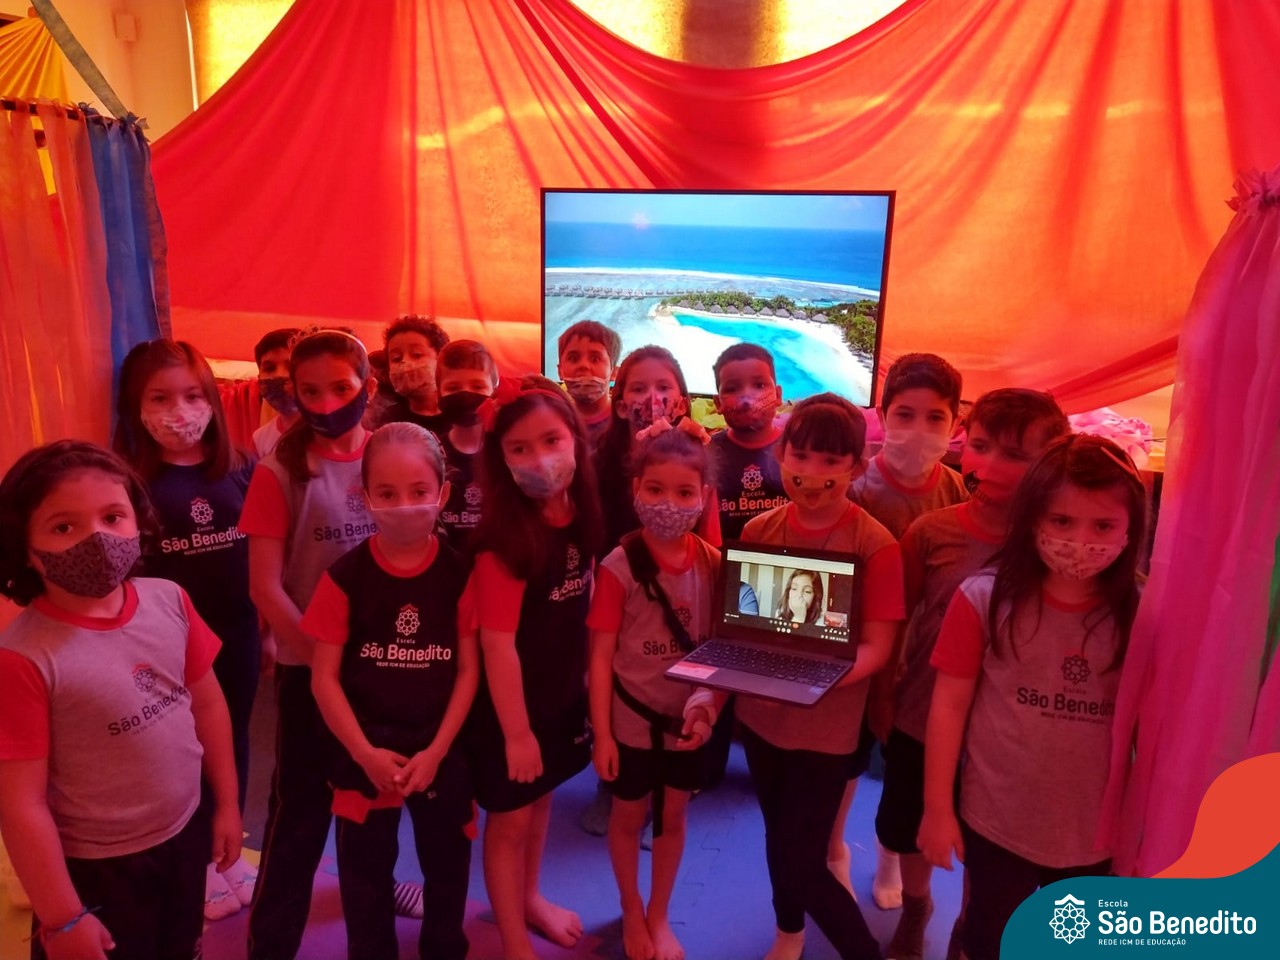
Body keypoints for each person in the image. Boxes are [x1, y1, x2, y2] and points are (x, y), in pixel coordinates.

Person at [0, 441, 241, 960]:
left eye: (113, 517)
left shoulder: (170, 600)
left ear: (138, 520)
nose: (97, 539)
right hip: (97, 868)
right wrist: (63, 917)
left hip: (184, 832)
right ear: (24, 547)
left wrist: (226, 804)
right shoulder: (23, 658)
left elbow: (208, 707)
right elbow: (21, 803)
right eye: (64, 526)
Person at [918, 435, 1146, 960]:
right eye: (1062, 520)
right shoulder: (983, 598)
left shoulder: (1143, 613)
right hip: (996, 823)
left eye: (1103, 526)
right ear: (1032, 518)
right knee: (991, 938)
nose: (1080, 540)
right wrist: (936, 809)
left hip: (1096, 834)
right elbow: (948, 706)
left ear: (1131, 528)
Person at [874, 387, 1069, 960]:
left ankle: (967, 923)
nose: (991, 465)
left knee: (986, 845)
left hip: (1003, 732)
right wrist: (883, 698)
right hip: (921, 714)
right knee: (911, 827)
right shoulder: (929, 533)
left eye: (1015, 455)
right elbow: (896, 622)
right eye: (981, 446)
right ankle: (917, 906)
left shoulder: (1052, 546)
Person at [739, 393, 905, 960]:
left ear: (856, 466)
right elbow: (746, 625)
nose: (813, 473)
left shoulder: (875, 545)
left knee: (801, 856)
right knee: (777, 836)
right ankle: (789, 932)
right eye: (802, 456)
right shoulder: (759, 529)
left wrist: (818, 680)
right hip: (760, 715)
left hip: (827, 726)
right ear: (780, 455)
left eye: (831, 461)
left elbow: (878, 646)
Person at [305, 423, 478, 960]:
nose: (404, 505)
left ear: (442, 495)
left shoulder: (460, 575)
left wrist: (438, 750)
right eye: (387, 493)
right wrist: (364, 753)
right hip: (365, 749)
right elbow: (323, 678)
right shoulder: (343, 578)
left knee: (448, 864)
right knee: (363, 873)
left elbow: (469, 672)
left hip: (439, 749)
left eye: (418, 491)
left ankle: (444, 949)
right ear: (365, 499)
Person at [238, 328, 379, 960]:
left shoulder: (392, 456)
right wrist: (322, 661)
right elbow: (266, 586)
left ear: (368, 387)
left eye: (341, 388)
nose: (326, 404)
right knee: (297, 819)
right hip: (308, 675)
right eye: (310, 391)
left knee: (371, 820)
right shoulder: (280, 471)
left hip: (382, 674)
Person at [113, 338, 261, 919]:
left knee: (234, 740)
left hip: (238, 635)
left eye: (194, 395)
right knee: (181, 750)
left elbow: (259, 555)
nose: (180, 410)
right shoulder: (130, 482)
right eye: (161, 398)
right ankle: (193, 862)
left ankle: (228, 852)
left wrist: (269, 629)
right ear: (135, 405)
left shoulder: (239, 467)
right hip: (166, 648)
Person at [466, 375, 605, 960]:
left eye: (551, 441)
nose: (540, 459)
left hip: (558, 697)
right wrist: (517, 734)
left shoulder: (581, 513)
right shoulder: (503, 542)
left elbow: (584, 598)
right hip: (509, 712)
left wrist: (587, 682)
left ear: (575, 439)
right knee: (510, 822)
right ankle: (514, 943)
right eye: (519, 448)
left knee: (542, 800)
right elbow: (497, 647)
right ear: (501, 459)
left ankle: (528, 898)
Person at [587, 427, 722, 960]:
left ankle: (659, 913)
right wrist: (602, 736)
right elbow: (599, 658)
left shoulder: (713, 563)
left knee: (674, 817)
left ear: (703, 497)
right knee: (627, 815)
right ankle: (631, 908)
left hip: (687, 723)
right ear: (636, 489)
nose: (669, 503)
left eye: (685, 492)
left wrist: (708, 712)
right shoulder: (617, 568)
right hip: (630, 722)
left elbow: (720, 650)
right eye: (656, 489)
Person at [844, 352, 967, 912]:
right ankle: (834, 849)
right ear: (882, 415)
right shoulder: (859, 488)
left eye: (935, 417)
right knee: (850, 754)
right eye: (905, 415)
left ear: (955, 423)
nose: (918, 430)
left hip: (924, 657)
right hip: (862, 647)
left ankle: (890, 856)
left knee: (903, 766)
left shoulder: (956, 491)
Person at [585, 345, 720, 833]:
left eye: (664, 387)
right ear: (620, 401)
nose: (652, 398)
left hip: (681, 586)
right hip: (620, 588)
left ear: (682, 398)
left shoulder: (693, 453)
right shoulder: (601, 462)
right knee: (619, 677)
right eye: (638, 388)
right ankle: (616, 783)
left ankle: (670, 790)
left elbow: (708, 533)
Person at [710, 343, 786, 541]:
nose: (746, 399)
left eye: (759, 385)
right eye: (732, 389)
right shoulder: (704, 454)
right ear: (717, 403)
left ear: (778, 395)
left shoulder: (799, 451)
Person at [435, 339, 499, 555]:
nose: (465, 394)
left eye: (477, 386)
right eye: (453, 388)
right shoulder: (432, 452)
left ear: (494, 392)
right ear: (438, 394)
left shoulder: (505, 451)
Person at [379, 315, 451, 435]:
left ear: (440, 359)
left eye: (417, 355)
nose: (405, 362)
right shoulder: (389, 419)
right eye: (396, 358)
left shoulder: (458, 415)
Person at [557, 319, 623, 449]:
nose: (583, 365)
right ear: (560, 371)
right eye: (573, 358)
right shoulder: (554, 421)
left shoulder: (625, 422)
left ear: (614, 372)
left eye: (595, 359)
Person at [252, 327, 304, 458]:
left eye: (290, 366)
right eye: (269, 368)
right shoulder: (260, 439)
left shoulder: (333, 432)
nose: (279, 375)